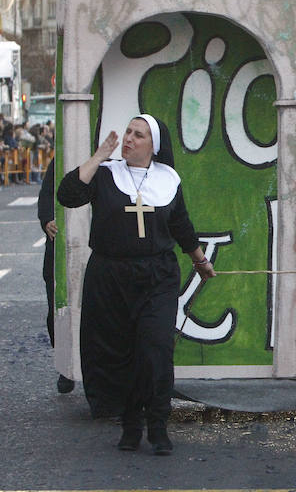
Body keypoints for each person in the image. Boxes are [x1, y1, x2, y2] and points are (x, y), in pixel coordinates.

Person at [57, 114, 215, 455]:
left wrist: (200, 261)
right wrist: (100, 155)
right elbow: (68, 195)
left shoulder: (167, 180)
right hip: (110, 276)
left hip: (157, 275)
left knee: (155, 350)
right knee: (122, 353)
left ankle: (158, 424)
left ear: (153, 146)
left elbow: (181, 225)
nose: (129, 138)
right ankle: (130, 423)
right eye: (128, 131)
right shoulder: (105, 175)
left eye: (138, 134)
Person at [37, 158, 75, 393]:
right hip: (60, 245)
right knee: (57, 311)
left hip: (95, 245)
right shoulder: (63, 155)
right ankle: (65, 367)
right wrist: (46, 219)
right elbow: (46, 193)